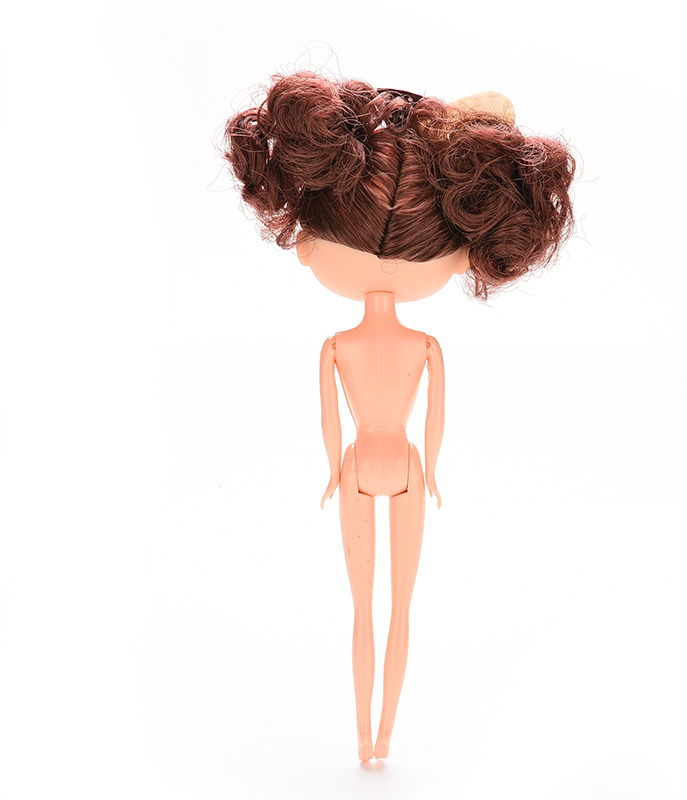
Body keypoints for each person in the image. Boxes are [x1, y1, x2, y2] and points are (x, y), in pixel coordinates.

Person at [223, 71, 575, 760]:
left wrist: (334, 470)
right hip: (406, 465)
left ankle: (368, 735)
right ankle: (379, 733)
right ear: (464, 256)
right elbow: (434, 417)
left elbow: (330, 419)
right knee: (396, 607)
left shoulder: (338, 345)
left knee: (365, 608)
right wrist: (432, 471)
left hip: (360, 463)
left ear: (304, 240)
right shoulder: (424, 345)